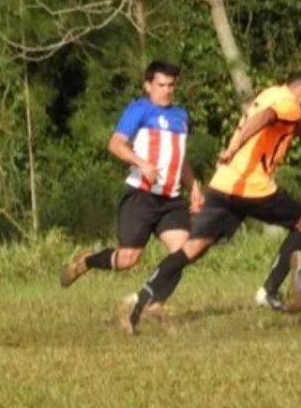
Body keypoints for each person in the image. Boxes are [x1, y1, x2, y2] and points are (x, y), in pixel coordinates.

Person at [116, 69, 301, 333]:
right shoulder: (289, 103)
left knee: (192, 248)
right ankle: (269, 290)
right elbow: (265, 118)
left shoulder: (269, 94)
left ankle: (139, 302)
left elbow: (284, 125)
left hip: (224, 183)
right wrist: (234, 146)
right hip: (252, 186)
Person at [60, 61, 202, 300]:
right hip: (142, 195)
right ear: (148, 85)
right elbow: (115, 144)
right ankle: (86, 262)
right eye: (161, 85)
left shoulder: (181, 116)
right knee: (128, 259)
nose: (167, 90)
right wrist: (141, 163)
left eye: (170, 85)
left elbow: (180, 157)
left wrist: (194, 187)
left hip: (171, 199)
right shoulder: (138, 110)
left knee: (183, 253)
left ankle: (151, 303)